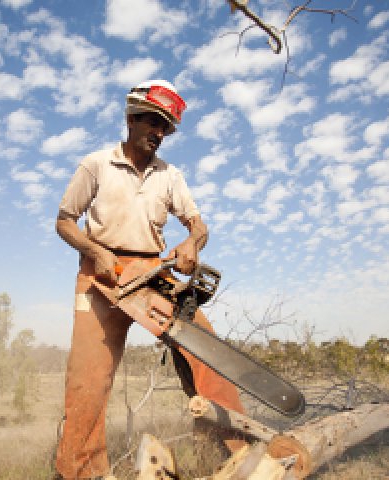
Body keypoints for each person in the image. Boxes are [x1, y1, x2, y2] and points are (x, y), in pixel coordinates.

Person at [54, 79, 245, 479]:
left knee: (208, 355)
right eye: (153, 122)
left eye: (166, 128)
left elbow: (199, 225)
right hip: (100, 275)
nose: (159, 133)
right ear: (131, 118)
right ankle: (80, 472)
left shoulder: (170, 176)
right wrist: (96, 252)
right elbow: (64, 222)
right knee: (88, 381)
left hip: (151, 273)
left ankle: (236, 458)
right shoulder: (96, 165)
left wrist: (193, 243)